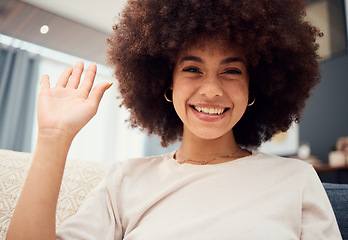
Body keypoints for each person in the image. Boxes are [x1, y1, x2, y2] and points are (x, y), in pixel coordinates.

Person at [6, 0, 342, 239]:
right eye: (192, 69)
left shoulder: (296, 179)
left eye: (231, 70)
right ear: (166, 84)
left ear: (254, 87)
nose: (211, 90)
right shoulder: (126, 180)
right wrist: (54, 137)